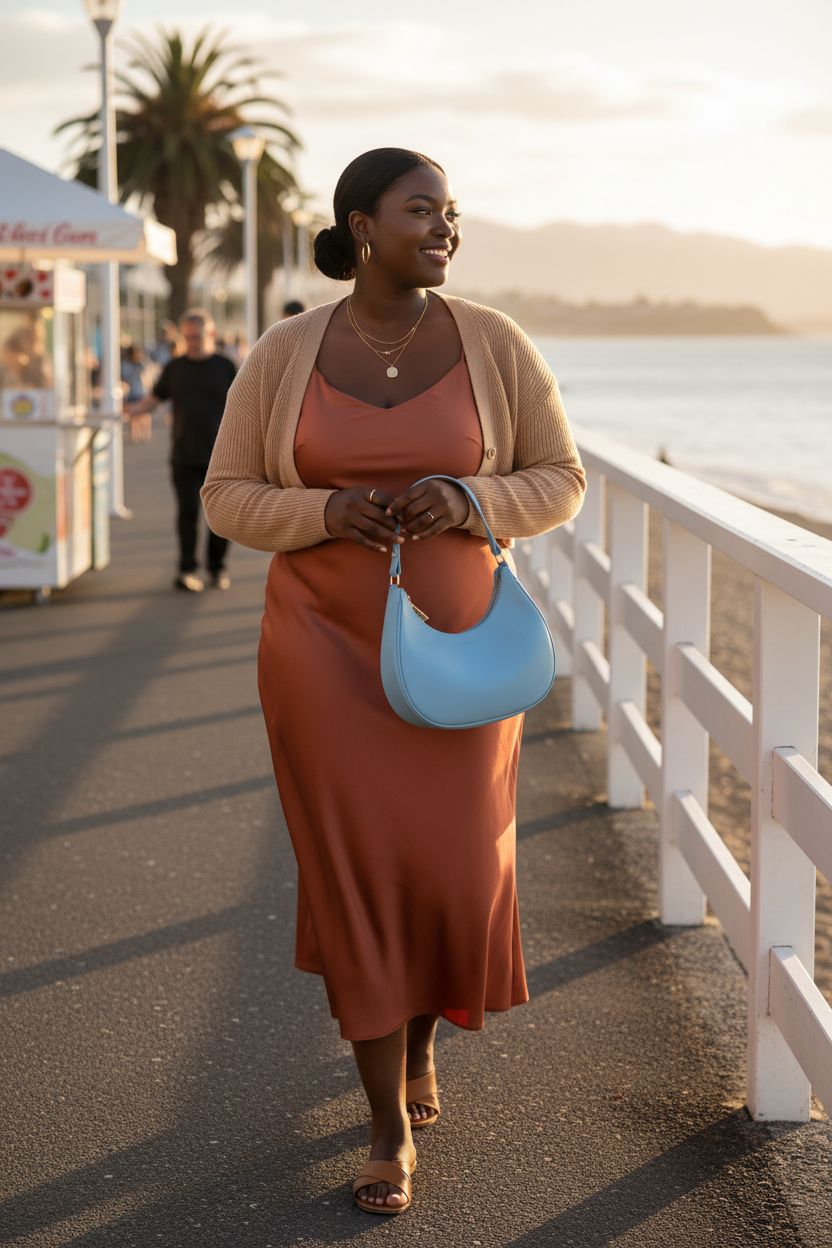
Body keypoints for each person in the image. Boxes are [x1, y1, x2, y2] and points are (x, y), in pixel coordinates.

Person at [200, 148, 587, 1215]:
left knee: (451, 868)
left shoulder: (493, 343)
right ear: (361, 226)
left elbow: (562, 479)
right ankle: (382, 1121)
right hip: (320, 648)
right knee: (360, 871)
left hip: (458, 650)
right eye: (423, 211)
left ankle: (421, 1044)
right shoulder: (285, 352)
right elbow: (228, 494)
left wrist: (469, 498)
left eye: (451, 212)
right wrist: (323, 511)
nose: (445, 228)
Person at [126, 309, 237, 591]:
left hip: (223, 458)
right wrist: (129, 410)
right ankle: (187, 569)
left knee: (221, 518)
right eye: (186, 337)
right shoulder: (174, 368)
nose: (191, 342)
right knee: (187, 515)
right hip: (184, 456)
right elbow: (155, 399)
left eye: (196, 337)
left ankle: (217, 568)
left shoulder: (227, 367)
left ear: (210, 334)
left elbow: (249, 405)